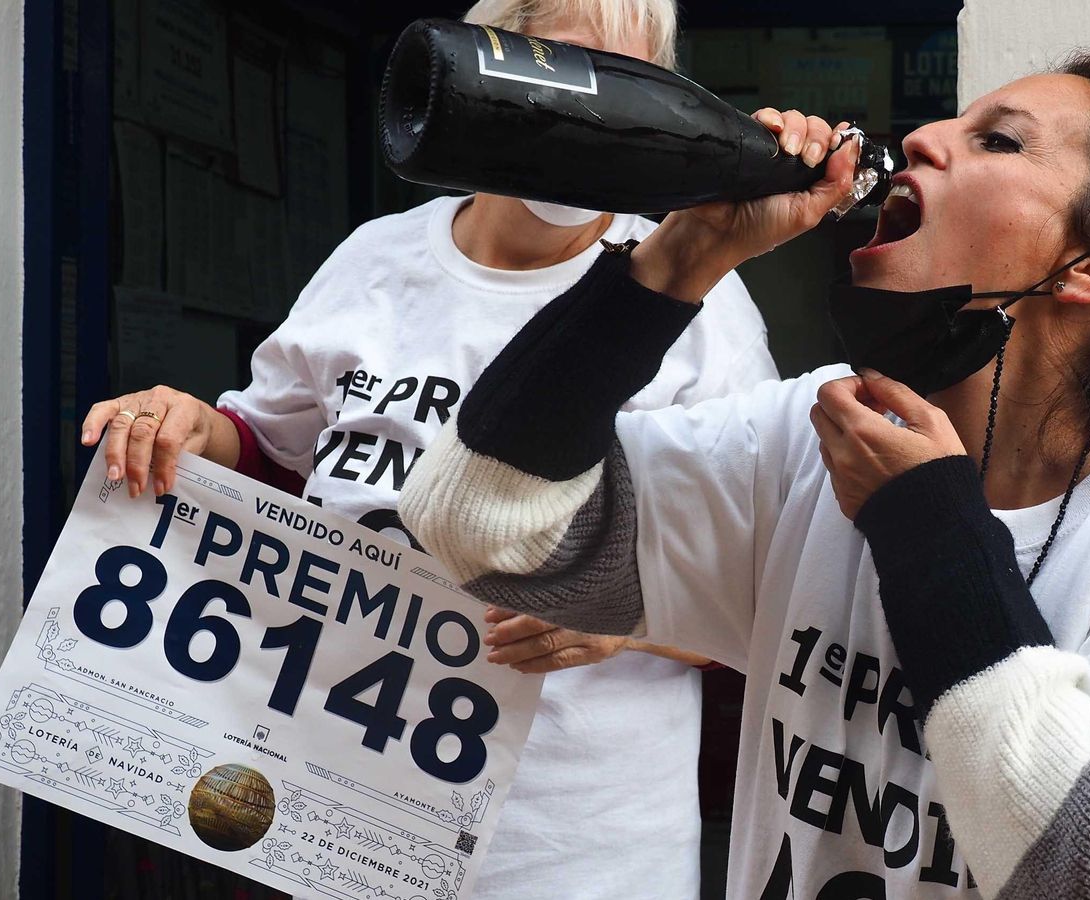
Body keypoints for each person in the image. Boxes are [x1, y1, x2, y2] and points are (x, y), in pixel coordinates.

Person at [399, 53, 1090, 899]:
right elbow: (483, 526)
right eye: (952, 122)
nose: (929, 137)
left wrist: (928, 526)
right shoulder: (815, 421)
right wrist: (682, 256)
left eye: (1000, 143)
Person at [80, 2, 777, 897]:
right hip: (335, 805)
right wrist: (180, 424)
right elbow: (267, 454)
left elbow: (758, 577)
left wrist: (620, 613)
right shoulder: (376, 259)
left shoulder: (700, 296)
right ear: (490, 73)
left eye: (626, 90)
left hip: (576, 846)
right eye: (563, 77)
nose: (589, 120)